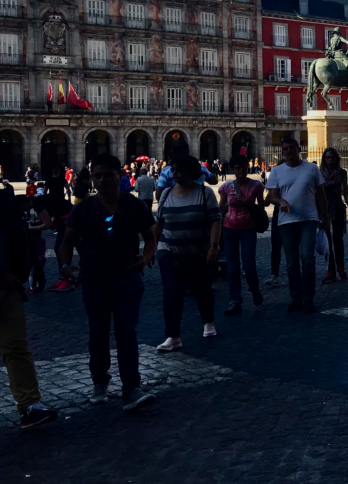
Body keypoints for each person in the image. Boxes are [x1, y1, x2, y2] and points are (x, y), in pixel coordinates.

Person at [59, 153, 158, 413]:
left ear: (120, 176)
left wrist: (146, 258)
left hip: (127, 277)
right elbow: (66, 243)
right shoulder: (83, 208)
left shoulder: (134, 205)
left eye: (108, 175)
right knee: (98, 333)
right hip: (94, 279)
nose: (102, 180)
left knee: (127, 332)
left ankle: (132, 388)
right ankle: (100, 381)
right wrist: (65, 266)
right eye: (97, 175)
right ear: (92, 178)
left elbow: (150, 237)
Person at [0, 186, 60, 429]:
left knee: (16, 347)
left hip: (9, 289)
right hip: (7, 282)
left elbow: (20, 236)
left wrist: (35, 268)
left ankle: (29, 405)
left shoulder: (5, 203)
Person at [154, 155, 221, 350]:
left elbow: (215, 220)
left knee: (202, 289)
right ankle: (172, 335)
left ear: (191, 173)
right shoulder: (166, 194)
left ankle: (208, 321)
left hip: (198, 251)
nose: (174, 173)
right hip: (169, 251)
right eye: (173, 170)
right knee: (172, 291)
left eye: (178, 170)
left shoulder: (204, 192)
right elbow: (159, 223)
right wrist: (150, 248)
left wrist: (214, 246)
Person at [266, 137, 328, 313]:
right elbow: (271, 196)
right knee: (292, 262)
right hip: (286, 222)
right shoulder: (277, 171)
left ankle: (308, 298)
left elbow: (321, 194)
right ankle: (296, 297)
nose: (288, 151)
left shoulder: (312, 168)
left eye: (291, 148)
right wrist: (280, 201)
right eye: (285, 149)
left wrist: (325, 216)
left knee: (307, 257)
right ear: (282, 151)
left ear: (298, 149)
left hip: (309, 219)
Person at [218, 154, 266, 315]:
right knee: (232, 268)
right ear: (233, 169)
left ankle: (254, 288)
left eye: (244, 167)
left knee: (248, 266)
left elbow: (261, 209)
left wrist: (247, 202)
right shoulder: (226, 187)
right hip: (229, 228)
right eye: (238, 168)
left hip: (248, 229)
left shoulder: (256, 186)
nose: (241, 171)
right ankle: (235, 300)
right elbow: (221, 208)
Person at [319, 148, 348, 283]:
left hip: (338, 207)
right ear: (324, 158)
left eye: (332, 158)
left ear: (336, 159)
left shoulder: (342, 173)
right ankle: (330, 269)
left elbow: (346, 191)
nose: (329, 160)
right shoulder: (319, 172)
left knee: (338, 239)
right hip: (324, 208)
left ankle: (340, 267)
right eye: (327, 158)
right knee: (326, 241)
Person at [154, 144, 218, 202]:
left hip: (175, 208)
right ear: (188, 152)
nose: (175, 172)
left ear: (173, 153)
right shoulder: (200, 168)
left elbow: (158, 196)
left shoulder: (167, 171)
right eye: (173, 170)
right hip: (198, 205)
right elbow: (214, 181)